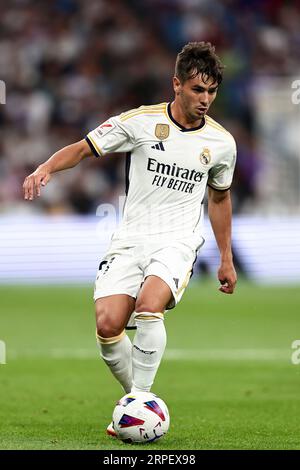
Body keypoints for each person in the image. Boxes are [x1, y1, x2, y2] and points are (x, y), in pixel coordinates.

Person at [23, 42, 237, 437]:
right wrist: (46, 167)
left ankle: (140, 400)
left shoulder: (222, 144)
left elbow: (220, 198)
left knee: (148, 306)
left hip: (177, 241)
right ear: (176, 84)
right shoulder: (140, 123)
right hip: (130, 238)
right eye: (196, 90)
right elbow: (84, 148)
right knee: (107, 326)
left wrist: (226, 257)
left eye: (211, 91)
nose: (205, 99)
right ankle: (137, 404)